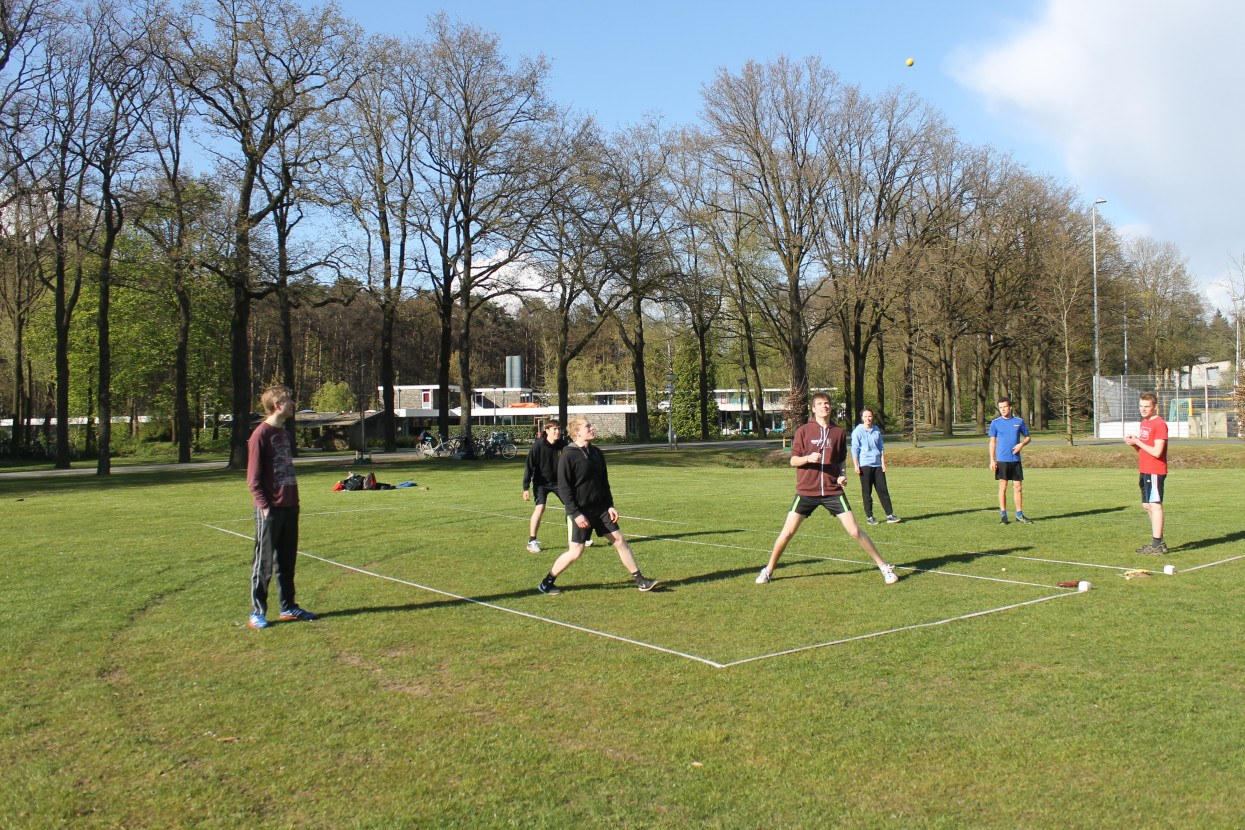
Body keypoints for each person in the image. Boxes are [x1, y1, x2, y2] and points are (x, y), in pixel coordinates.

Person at [756, 393, 898, 585]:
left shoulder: (838, 432)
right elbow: (793, 460)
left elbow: (840, 460)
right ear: (813, 409)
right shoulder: (803, 431)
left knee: (855, 532)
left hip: (832, 491)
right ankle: (768, 570)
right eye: (821, 404)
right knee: (787, 532)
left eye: (828, 404)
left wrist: (842, 474)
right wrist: (808, 459)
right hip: (807, 490)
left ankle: (884, 567)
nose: (825, 407)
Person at [537, 416, 658, 594]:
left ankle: (640, 581)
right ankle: (546, 583)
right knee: (576, 552)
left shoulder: (596, 453)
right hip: (580, 512)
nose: (592, 428)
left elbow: (604, 482)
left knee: (620, 540)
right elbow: (564, 489)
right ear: (577, 433)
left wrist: (610, 505)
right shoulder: (568, 456)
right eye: (588, 427)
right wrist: (576, 514)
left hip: (601, 510)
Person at [247, 386, 316, 629]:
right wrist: (265, 506)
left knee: (287, 561)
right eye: (288, 399)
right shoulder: (260, 435)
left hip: (290, 506)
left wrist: (293, 502)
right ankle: (258, 612)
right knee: (264, 562)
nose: (293, 402)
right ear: (277, 405)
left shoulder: (285, 435)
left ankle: (288, 606)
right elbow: (253, 479)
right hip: (270, 509)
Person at [1125, 391, 1169, 554]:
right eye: (1141, 406)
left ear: (1155, 406)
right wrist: (1135, 444)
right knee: (1146, 506)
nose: (1143, 409)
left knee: (1155, 505)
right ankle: (1159, 541)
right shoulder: (1144, 423)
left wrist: (1138, 442)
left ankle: (1157, 544)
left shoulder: (1159, 424)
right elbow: (1146, 448)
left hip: (1155, 471)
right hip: (1144, 469)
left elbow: (1157, 452)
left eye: (1147, 406)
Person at [522, 420, 567, 552]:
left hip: (559, 483)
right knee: (540, 508)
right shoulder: (538, 445)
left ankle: (581, 537)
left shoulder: (563, 445)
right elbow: (529, 467)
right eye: (554, 429)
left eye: (559, 429)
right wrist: (526, 488)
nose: (557, 432)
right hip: (541, 483)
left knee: (572, 507)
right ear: (546, 431)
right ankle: (532, 541)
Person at [850, 407, 900, 525]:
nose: (868, 418)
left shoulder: (876, 430)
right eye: (866, 416)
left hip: (877, 465)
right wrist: (856, 465)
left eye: (870, 416)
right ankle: (870, 516)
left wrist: (883, 463)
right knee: (867, 491)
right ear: (862, 418)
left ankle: (890, 514)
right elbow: (854, 449)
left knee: (883, 490)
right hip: (865, 465)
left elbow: (881, 447)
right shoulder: (857, 431)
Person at [988, 396, 1032, 524]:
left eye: (1005, 407)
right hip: (1002, 460)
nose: (1003, 409)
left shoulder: (1019, 422)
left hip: (1015, 459)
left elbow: (1028, 437)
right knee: (1003, 486)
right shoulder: (995, 423)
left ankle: (1019, 515)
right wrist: (992, 460)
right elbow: (992, 443)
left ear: (1010, 407)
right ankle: (1004, 515)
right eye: (1000, 407)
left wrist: (1021, 444)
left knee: (1018, 487)